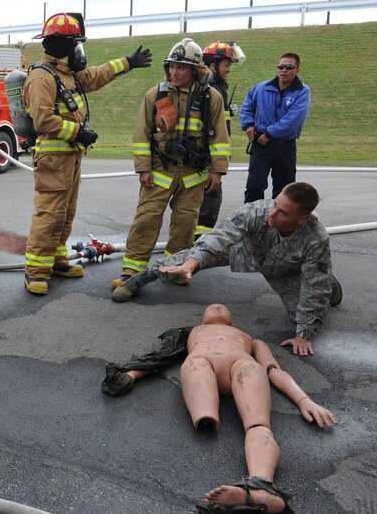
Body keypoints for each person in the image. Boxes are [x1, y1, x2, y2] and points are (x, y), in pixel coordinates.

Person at [102, 304, 336, 513]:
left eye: (222, 308)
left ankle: (262, 488)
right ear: (202, 320)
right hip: (201, 362)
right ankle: (205, 413)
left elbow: (272, 369)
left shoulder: (250, 339)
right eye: (212, 308)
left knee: (258, 425)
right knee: (194, 363)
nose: (217, 307)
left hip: (243, 366)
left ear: (233, 322)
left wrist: (304, 400)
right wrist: (130, 375)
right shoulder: (192, 332)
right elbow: (161, 355)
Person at [112, 182, 341, 356]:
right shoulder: (256, 211)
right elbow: (220, 236)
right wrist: (193, 264)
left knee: (305, 307)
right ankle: (135, 282)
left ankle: (330, 281)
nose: (272, 213)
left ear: (302, 219)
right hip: (245, 251)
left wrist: (304, 335)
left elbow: (315, 287)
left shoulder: (315, 237)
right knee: (182, 260)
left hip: (286, 269)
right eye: (275, 204)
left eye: (283, 212)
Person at [22, 12, 151, 295]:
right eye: (76, 44)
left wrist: (127, 63)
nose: (79, 51)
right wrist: (78, 132)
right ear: (64, 45)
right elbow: (42, 120)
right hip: (54, 158)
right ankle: (35, 272)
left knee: (66, 212)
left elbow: (96, 75)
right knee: (49, 213)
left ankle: (55, 260)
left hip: (70, 156)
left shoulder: (66, 75)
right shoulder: (42, 78)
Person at [113, 38, 229, 289]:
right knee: (146, 220)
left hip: (193, 176)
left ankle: (174, 268)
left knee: (185, 226)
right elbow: (141, 133)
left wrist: (218, 171)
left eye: (181, 67)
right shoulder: (155, 94)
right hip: (159, 172)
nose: (174, 72)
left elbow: (220, 137)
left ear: (195, 70)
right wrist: (143, 167)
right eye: (171, 67)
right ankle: (131, 270)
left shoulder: (212, 98)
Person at [240, 52, 310, 203]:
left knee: (284, 190)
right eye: (281, 66)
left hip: (285, 147)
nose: (283, 70)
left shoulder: (302, 92)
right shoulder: (261, 88)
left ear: (297, 70)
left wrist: (270, 134)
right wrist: (249, 125)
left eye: (289, 67)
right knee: (254, 185)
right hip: (260, 145)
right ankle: (251, 222)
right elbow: (247, 107)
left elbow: (294, 120)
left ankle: (279, 223)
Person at [195, 41, 244, 239]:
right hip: (206, 160)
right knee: (210, 201)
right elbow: (214, 133)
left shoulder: (214, 88)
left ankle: (194, 243)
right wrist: (216, 166)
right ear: (213, 66)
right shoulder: (211, 90)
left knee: (201, 202)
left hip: (205, 158)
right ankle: (199, 245)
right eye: (227, 64)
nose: (229, 69)